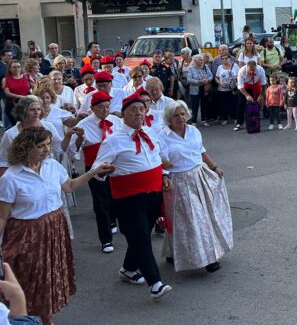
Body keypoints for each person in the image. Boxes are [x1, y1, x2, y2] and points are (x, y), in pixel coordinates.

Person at [0, 127, 114, 325]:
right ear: (26, 148)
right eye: (40, 146)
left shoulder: (52, 165)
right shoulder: (11, 177)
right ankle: (25, 317)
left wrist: (94, 172)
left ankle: (45, 316)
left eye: (48, 144)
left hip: (55, 227)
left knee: (49, 278)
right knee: (28, 278)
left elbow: (69, 186)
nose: (46, 149)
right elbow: (2, 217)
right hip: (27, 234)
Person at [92, 92, 173, 300]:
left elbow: (159, 158)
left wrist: (164, 175)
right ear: (123, 115)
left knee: (141, 236)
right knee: (141, 239)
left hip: (154, 194)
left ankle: (128, 269)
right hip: (128, 198)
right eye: (133, 110)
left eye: (141, 109)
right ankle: (155, 283)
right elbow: (96, 169)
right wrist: (103, 170)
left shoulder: (151, 133)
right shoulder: (113, 140)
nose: (138, 113)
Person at [159, 101, 232, 272]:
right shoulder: (163, 136)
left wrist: (215, 167)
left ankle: (174, 252)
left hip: (200, 175)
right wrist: (164, 175)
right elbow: (160, 161)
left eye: (183, 114)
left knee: (203, 217)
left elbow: (202, 152)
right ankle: (208, 259)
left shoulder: (194, 131)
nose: (180, 118)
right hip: (178, 180)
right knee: (190, 220)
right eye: (176, 115)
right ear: (169, 118)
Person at [74, 90, 121, 253]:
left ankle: (113, 220)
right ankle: (106, 239)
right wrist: (79, 139)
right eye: (101, 107)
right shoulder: (83, 124)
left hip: (116, 164)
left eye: (107, 107)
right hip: (95, 167)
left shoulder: (116, 121)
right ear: (93, 108)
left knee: (115, 196)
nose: (105, 111)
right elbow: (75, 151)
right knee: (101, 203)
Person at [0, 96, 64, 175]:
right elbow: (3, 161)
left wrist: (68, 135)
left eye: (38, 109)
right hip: (22, 174)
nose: (36, 112)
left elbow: (59, 146)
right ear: (23, 111)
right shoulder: (11, 134)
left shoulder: (48, 126)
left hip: (46, 171)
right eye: (32, 110)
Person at [234, 60, 266, 132]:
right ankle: (239, 123)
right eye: (250, 71)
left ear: (256, 67)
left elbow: (263, 84)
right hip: (245, 87)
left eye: (253, 70)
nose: (251, 72)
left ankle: (255, 121)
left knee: (255, 103)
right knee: (241, 103)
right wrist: (247, 95)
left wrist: (261, 95)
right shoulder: (241, 71)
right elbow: (240, 86)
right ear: (246, 67)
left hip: (255, 85)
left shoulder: (260, 70)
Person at [2, 62, 30, 130]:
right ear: (10, 69)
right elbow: (7, 93)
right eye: (14, 67)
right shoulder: (5, 79)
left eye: (18, 66)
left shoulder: (26, 76)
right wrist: (20, 96)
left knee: (27, 124)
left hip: (27, 104)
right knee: (16, 126)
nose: (17, 69)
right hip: (13, 106)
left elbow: (34, 87)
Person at [187, 55, 212, 127]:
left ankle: (203, 120)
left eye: (202, 59)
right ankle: (194, 121)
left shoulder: (206, 67)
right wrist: (199, 81)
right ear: (195, 61)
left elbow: (210, 75)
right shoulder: (191, 68)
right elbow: (189, 79)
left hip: (204, 88)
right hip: (195, 90)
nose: (202, 61)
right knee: (195, 106)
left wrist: (207, 80)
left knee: (204, 105)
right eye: (200, 60)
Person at [214, 54, 239, 127]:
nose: (224, 60)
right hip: (222, 89)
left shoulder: (235, 66)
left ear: (230, 59)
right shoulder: (219, 67)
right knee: (223, 104)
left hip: (232, 88)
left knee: (234, 103)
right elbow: (216, 77)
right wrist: (220, 83)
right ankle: (225, 119)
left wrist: (235, 78)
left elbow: (239, 75)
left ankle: (235, 118)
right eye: (223, 59)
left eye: (226, 58)